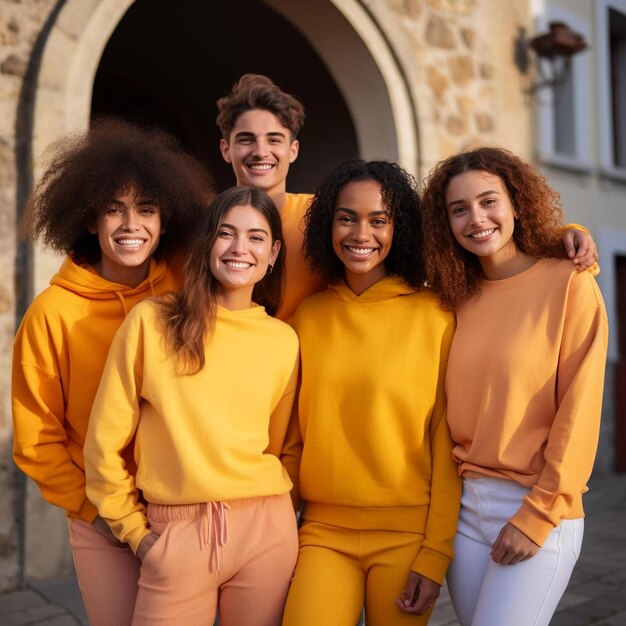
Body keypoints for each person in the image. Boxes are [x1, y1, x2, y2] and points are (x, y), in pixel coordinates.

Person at [12, 119, 211, 626]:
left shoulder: (184, 289)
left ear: (166, 220)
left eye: (146, 209)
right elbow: (36, 437)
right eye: (113, 209)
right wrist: (94, 512)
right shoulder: (52, 313)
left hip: (183, 506)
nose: (131, 225)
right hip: (101, 516)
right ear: (89, 219)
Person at [84, 186, 300, 626]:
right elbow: (104, 440)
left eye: (257, 237)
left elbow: (280, 445)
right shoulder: (152, 320)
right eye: (226, 233)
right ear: (208, 244)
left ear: (274, 252)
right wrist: (137, 534)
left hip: (267, 532)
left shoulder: (283, 341)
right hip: (175, 535)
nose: (241, 248)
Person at [420, 147, 608, 626]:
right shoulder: (450, 296)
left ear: (517, 203)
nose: (476, 219)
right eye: (458, 209)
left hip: (536, 502)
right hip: (465, 509)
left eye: (489, 202)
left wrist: (538, 515)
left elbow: (580, 411)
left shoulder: (569, 283)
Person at [281, 160, 461, 626]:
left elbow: (446, 442)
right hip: (321, 531)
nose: (362, 233)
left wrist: (435, 554)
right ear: (328, 224)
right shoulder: (308, 317)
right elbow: (293, 436)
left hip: (408, 534)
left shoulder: (436, 316)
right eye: (347, 217)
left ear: (399, 228)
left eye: (379, 220)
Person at [217, 73, 324, 320]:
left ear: (293, 150)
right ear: (226, 149)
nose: (261, 152)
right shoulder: (206, 223)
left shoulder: (321, 217)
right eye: (246, 140)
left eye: (274, 140)